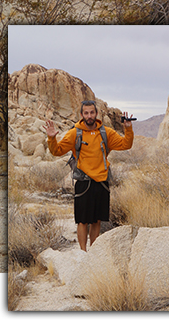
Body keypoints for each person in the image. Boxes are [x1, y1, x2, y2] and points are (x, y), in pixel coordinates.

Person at [43, 100, 134, 251]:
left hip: (102, 181)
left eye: (92, 112)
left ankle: (94, 251)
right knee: (82, 221)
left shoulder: (106, 132)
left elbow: (126, 144)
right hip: (83, 181)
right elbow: (57, 151)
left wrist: (128, 129)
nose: (89, 116)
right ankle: (83, 252)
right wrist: (51, 138)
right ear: (81, 115)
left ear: (96, 114)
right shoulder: (74, 133)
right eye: (86, 113)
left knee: (97, 220)